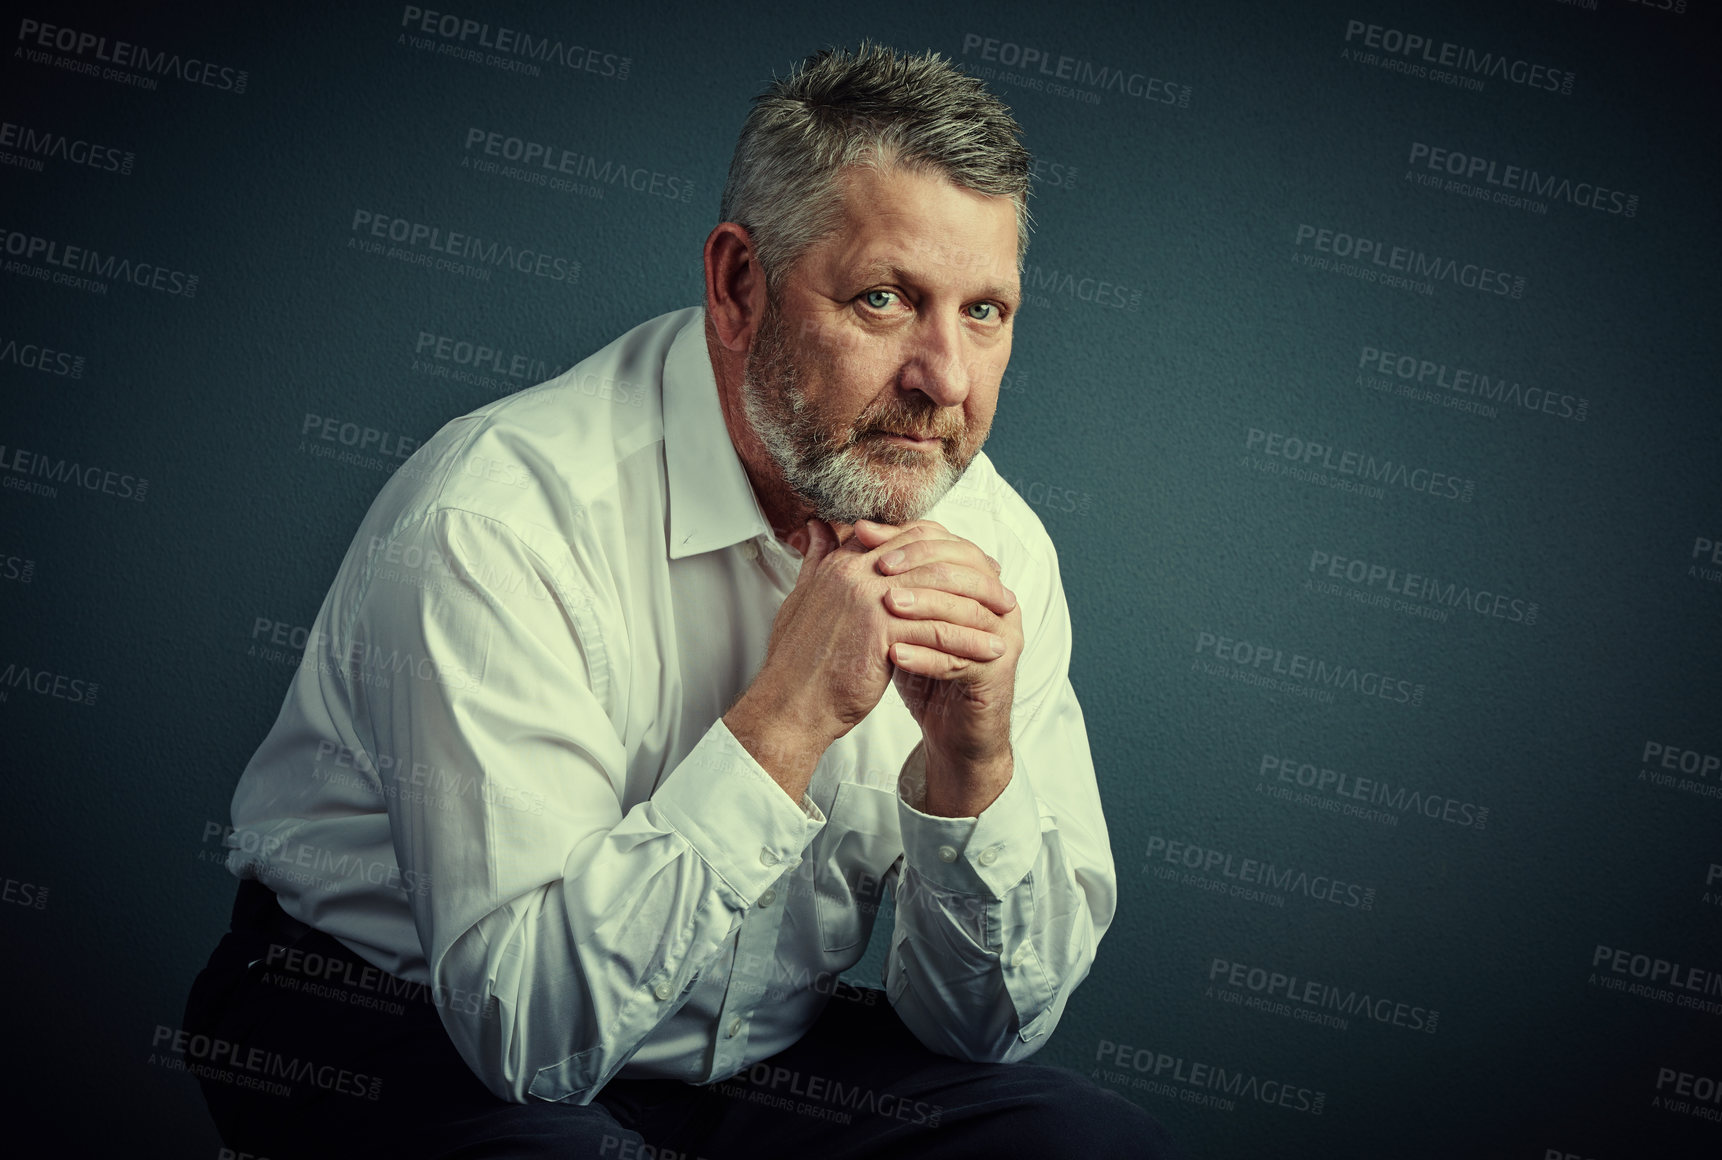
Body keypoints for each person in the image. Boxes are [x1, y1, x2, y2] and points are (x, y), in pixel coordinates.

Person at [185, 41, 1182, 1159]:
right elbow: (530, 1037)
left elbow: (986, 1028)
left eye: (986, 311)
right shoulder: (496, 520)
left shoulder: (992, 540)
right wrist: (783, 725)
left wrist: (974, 771)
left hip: (752, 1048)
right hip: (391, 1020)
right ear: (738, 285)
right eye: (886, 298)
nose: (945, 376)